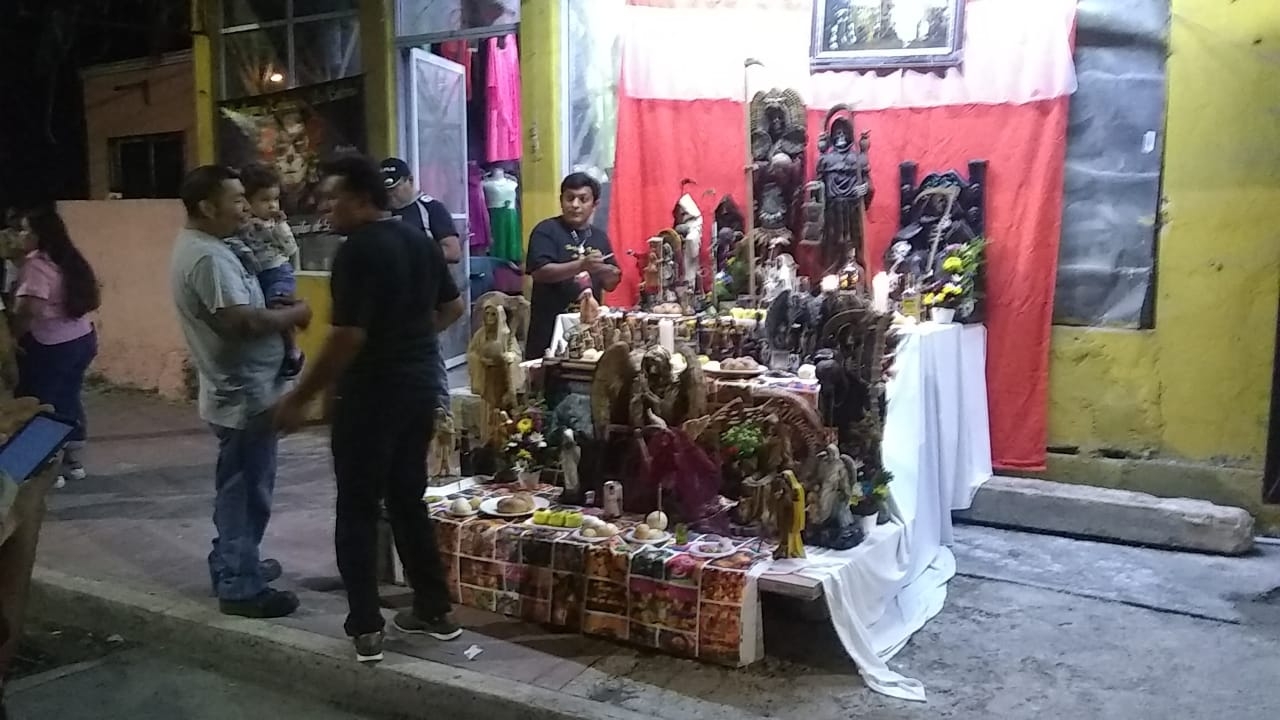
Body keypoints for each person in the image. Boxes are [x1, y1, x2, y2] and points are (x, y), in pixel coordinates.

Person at [276, 154, 466, 663]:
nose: (326, 209)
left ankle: (365, 624)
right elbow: (454, 307)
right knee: (408, 499)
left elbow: (346, 338)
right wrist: (409, 340)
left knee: (358, 507)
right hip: (419, 388)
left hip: (372, 395)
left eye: (334, 198)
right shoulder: (419, 242)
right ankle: (434, 608)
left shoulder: (356, 252)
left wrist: (300, 397)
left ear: (363, 200)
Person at [170, 165, 312, 619]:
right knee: (246, 493)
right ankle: (239, 584)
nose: (245, 208)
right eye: (235, 200)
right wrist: (296, 315)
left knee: (240, 487)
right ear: (207, 207)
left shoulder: (214, 247)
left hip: (246, 390)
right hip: (244, 395)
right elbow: (242, 321)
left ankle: (233, 562)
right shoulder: (208, 257)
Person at [11, 207, 100, 485]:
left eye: (24, 230)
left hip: (50, 345)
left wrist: (11, 338)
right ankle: (72, 462)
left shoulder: (36, 265)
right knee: (67, 396)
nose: (18, 235)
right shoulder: (68, 258)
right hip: (81, 339)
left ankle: (42, 466)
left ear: (40, 235)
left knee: (40, 403)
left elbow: (28, 310)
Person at [381, 157, 462, 413]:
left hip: (427, 302)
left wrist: (411, 253)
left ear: (410, 181)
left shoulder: (430, 209)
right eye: (386, 190)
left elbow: (452, 251)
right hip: (390, 305)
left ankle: (440, 423)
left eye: (395, 188)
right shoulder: (380, 213)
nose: (391, 195)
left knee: (429, 370)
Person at [524, 172, 621, 360]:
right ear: (561, 201)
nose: (575, 205)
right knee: (546, 384)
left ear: (595, 205)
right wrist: (582, 265)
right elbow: (539, 272)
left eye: (583, 199)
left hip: (589, 329)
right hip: (548, 328)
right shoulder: (546, 230)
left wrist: (607, 272)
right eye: (570, 198)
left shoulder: (599, 237)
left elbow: (611, 283)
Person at [227, 163, 304, 377]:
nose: (272, 206)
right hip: (257, 275)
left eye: (275, 199)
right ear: (246, 202)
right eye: (264, 200)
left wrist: (279, 228)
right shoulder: (241, 226)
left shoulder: (274, 225)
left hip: (278, 271)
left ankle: (292, 351)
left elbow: (290, 249)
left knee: (278, 308)